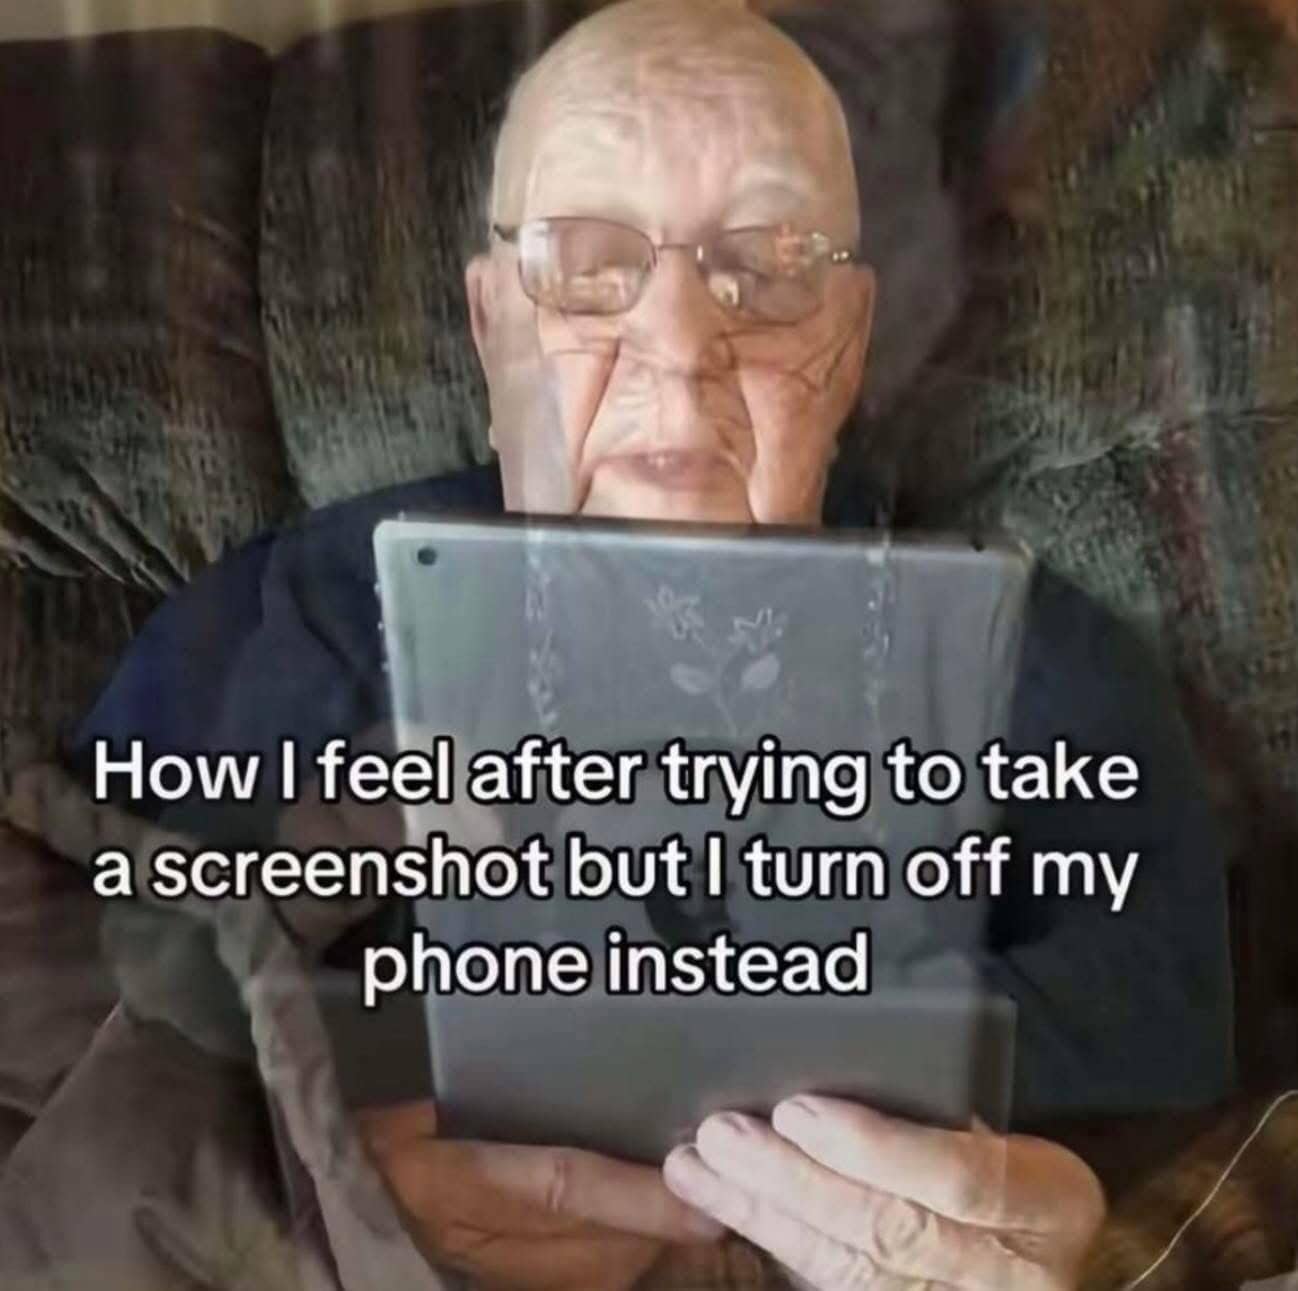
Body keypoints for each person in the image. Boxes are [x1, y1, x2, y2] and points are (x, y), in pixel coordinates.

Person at [1, 2, 1232, 1288]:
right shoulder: (293, 613)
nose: (681, 346)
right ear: (491, 323)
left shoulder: (1040, 664)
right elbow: (72, 1070)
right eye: (587, 263)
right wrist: (327, 1202)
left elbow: (1193, 1120)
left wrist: (1105, 1253)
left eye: (767, 262)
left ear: (849, 337)